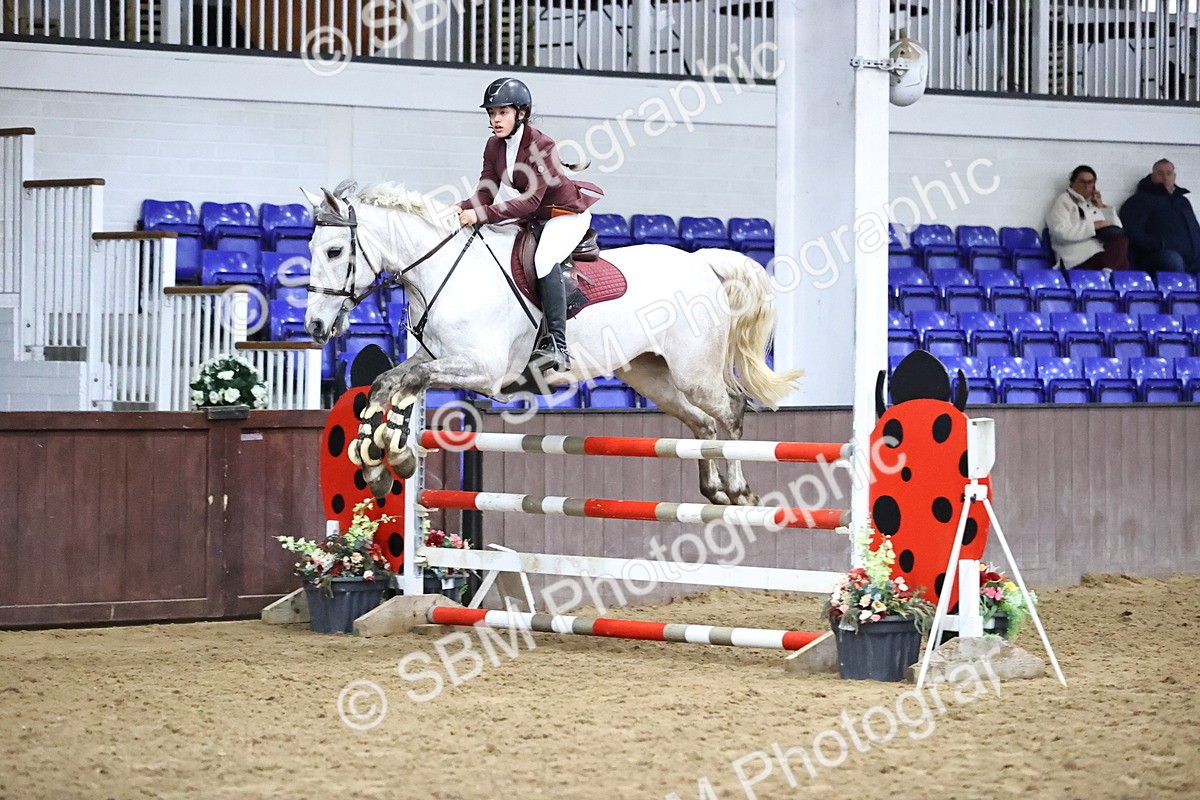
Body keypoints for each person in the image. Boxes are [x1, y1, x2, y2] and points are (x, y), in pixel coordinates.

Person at [456, 77, 603, 373]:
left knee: (544, 258)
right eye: (492, 113)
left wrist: (481, 215)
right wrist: (460, 207)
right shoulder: (494, 146)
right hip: (537, 218)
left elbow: (531, 201)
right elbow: (486, 190)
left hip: (564, 214)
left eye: (502, 112)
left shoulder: (542, 144)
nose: (495, 119)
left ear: (520, 113)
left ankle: (557, 346)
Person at [1119, 159, 1200, 274]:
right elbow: (1132, 233)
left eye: (1169, 173)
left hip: (1192, 259)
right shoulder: (1139, 201)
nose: (1165, 177)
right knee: (1173, 259)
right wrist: (1160, 244)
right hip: (1156, 257)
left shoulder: (1183, 202)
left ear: (1174, 176)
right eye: (1160, 174)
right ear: (1152, 176)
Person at [1046, 165, 1129, 271]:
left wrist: (1102, 207)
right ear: (1072, 183)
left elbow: (1118, 229)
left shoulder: (1093, 203)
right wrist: (1092, 227)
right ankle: (1106, 274)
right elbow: (1060, 232)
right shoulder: (1063, 201)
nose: (1086, 186)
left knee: (1122, 245)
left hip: (1099, 253)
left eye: (1090, 182)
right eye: (1082, 182)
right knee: (1120, 262)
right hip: (1076, 258)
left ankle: (1107, 273)